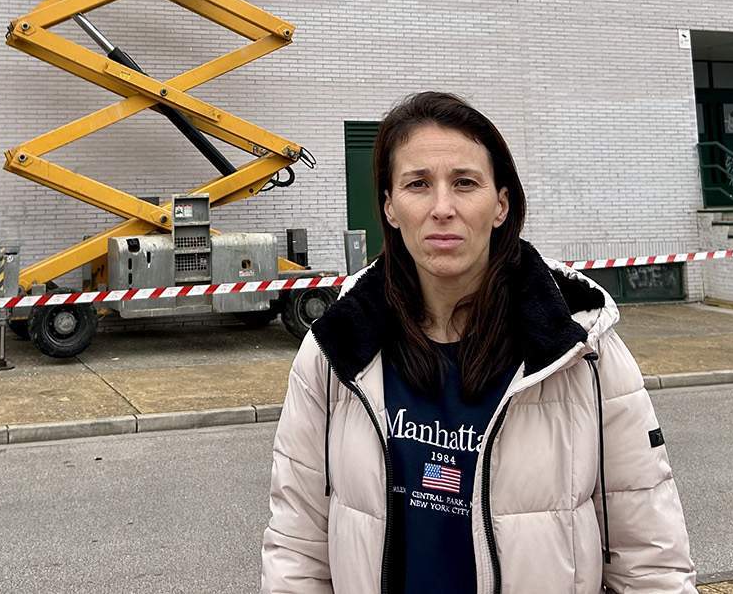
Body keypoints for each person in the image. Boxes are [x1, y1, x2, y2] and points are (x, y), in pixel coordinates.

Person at [261, 91, 697, 593]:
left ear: (500, 205)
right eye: (418, 185)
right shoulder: (334, 352)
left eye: (465, 183)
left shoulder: (582, 352)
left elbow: (651, 559)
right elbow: (296, 549)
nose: (442, 208)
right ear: (391, 207)